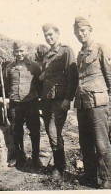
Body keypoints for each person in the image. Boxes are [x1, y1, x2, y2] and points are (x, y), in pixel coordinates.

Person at [73, 16, 111, 189]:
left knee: (101, 142)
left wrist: (104, 95)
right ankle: (90, 175)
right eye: (77, 32)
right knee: (85, 142)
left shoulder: (101, 48)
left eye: (83, 31)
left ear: (90, 30)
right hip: (82, 103)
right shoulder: (80, 54)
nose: (80, 34)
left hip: (97, 103)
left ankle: (108, 178)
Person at [39, 23, 78, 178]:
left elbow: (73, 76)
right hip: (47, 99)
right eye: (46, 36)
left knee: (54, 131)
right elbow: (46, 76)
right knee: (51, 132)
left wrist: (68, 99)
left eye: (51, 35)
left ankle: (59, 168)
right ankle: (59, 164)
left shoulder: (66, 50)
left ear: (57, 34)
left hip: (59, 99)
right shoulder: (47, 55)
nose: (48, 38)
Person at [4, 42, 42, 168]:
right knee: (16, 131)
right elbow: (7, 84)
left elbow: (39, 84)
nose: (19, 54)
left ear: (26, 51)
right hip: (15, 104)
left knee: (34, 130)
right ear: (13, 52)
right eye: (17, 51)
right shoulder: (9, 67)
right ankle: (20, 156)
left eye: (22, 51)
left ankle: (36, 157)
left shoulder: (34, 66)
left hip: (31, 103)